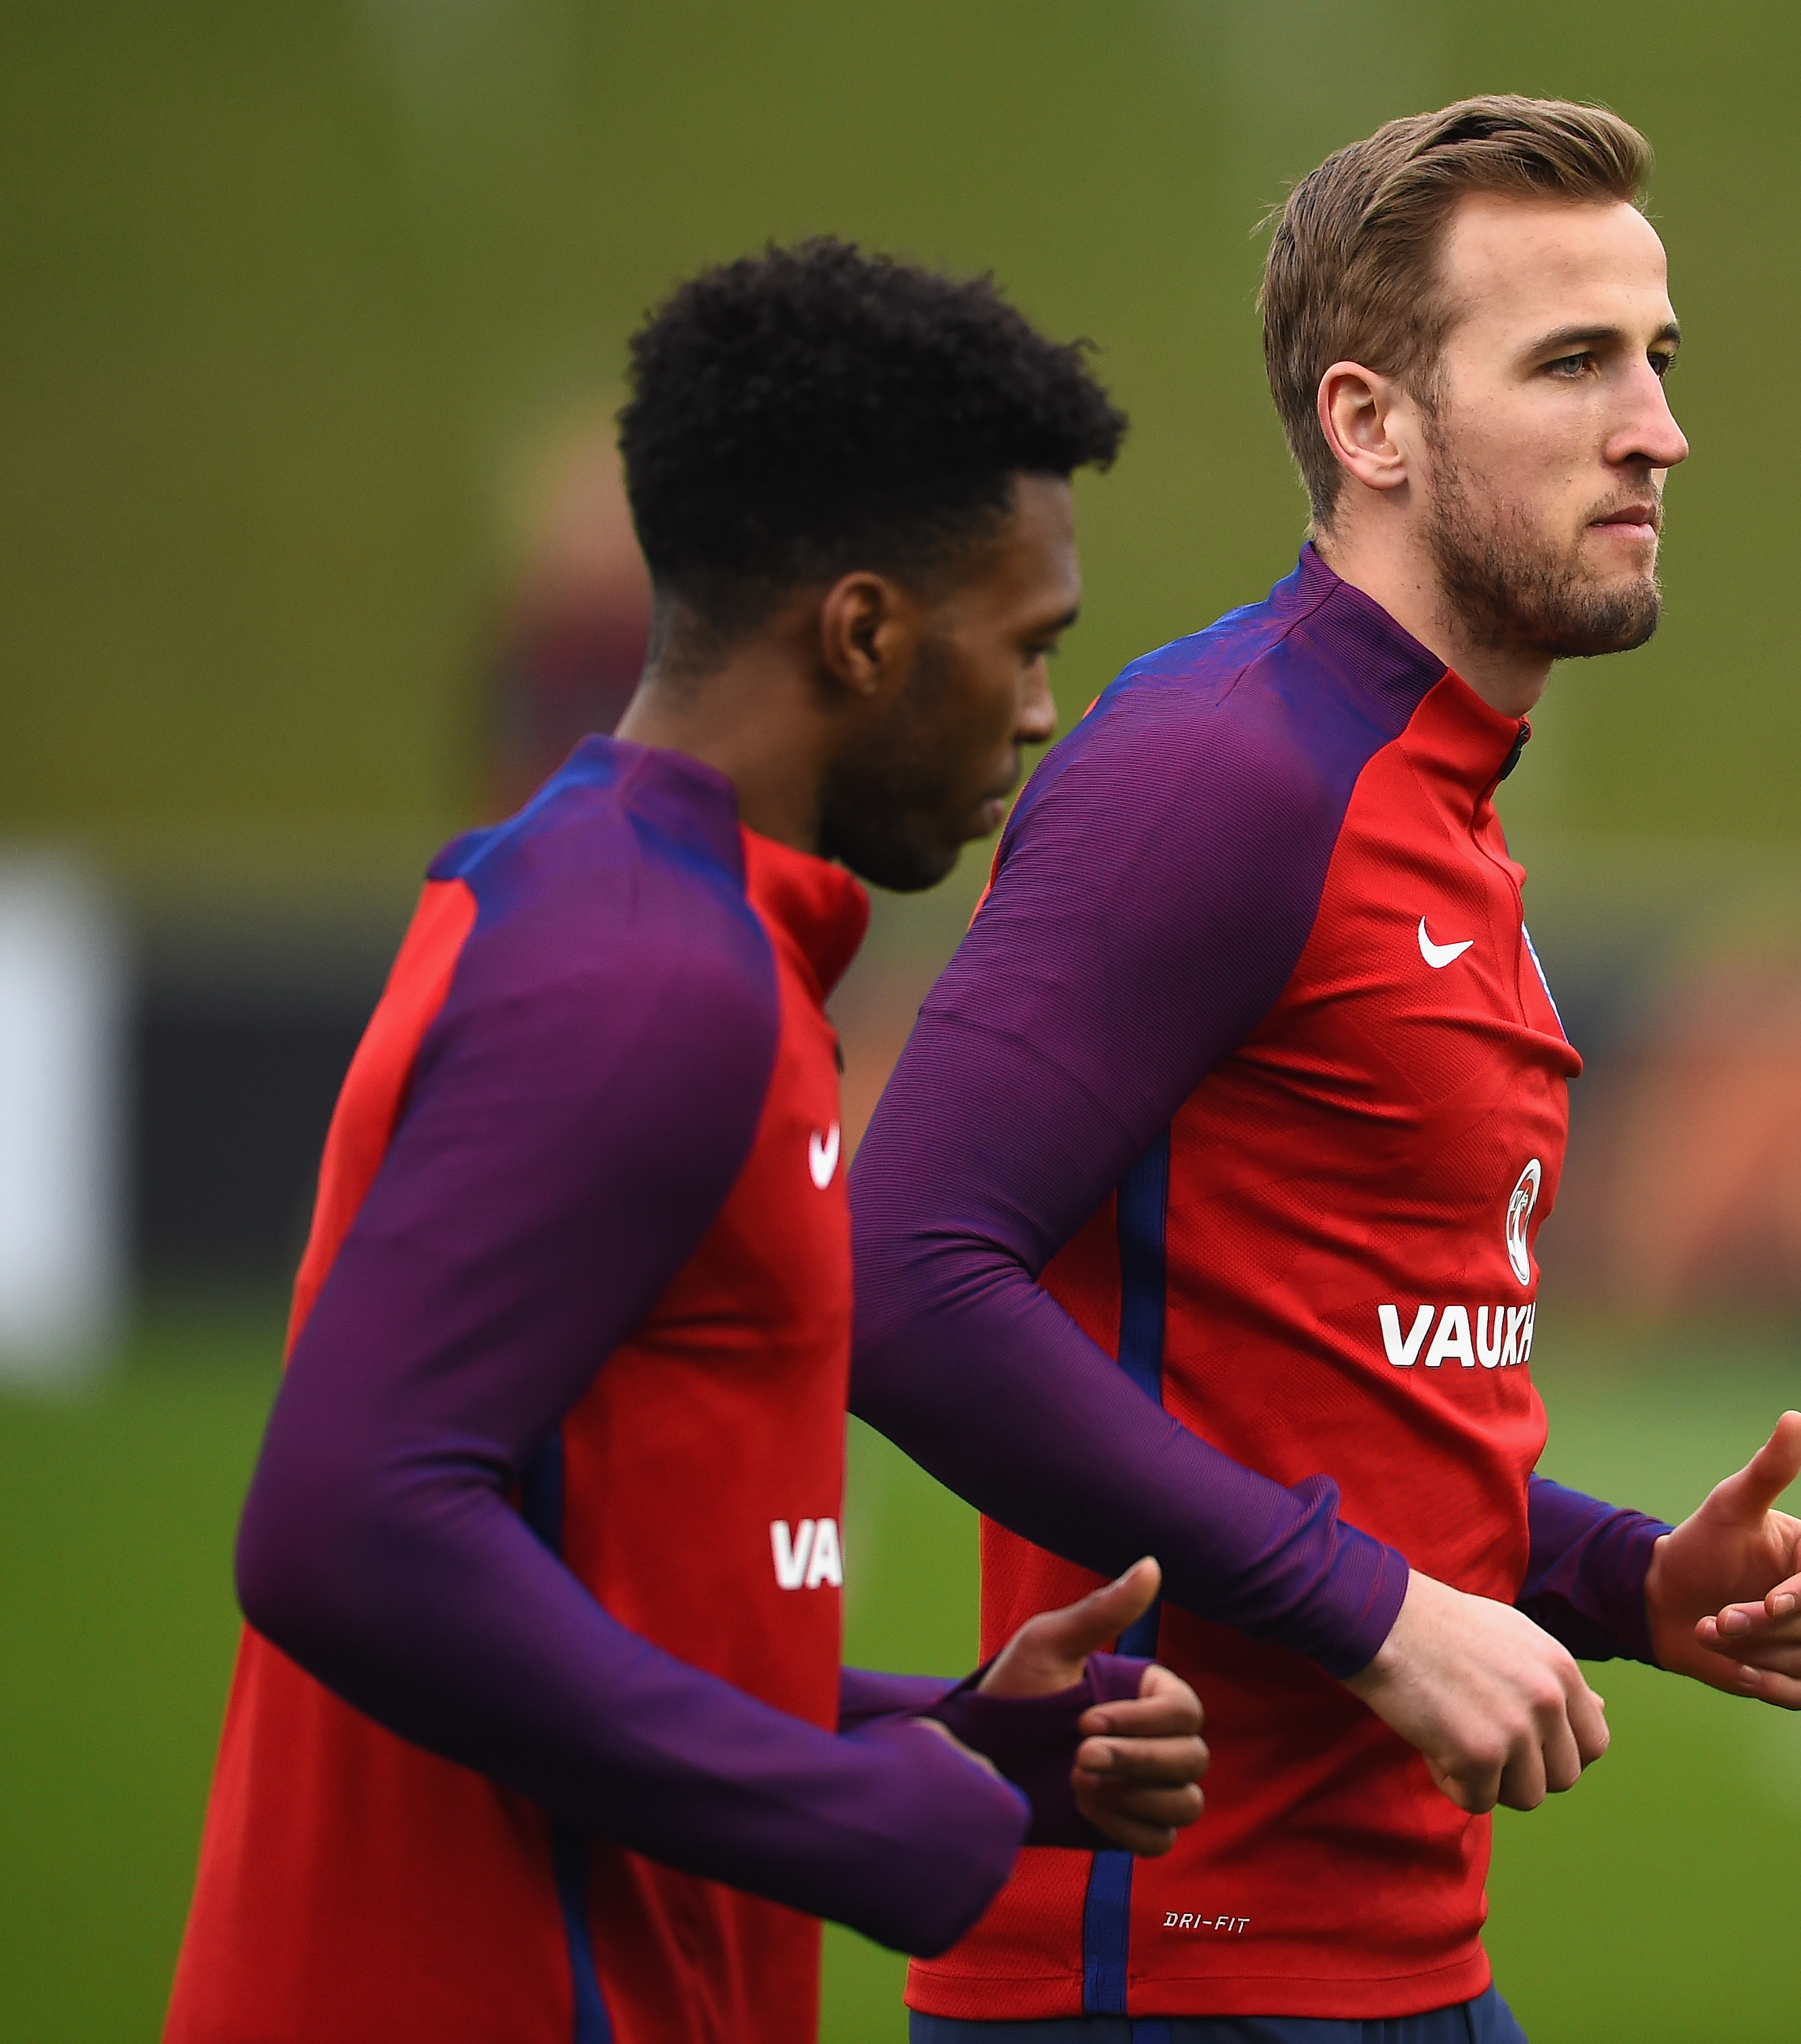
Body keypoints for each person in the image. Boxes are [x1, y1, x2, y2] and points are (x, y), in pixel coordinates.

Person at [847, 99, 1801, 2039]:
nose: (1654, 428)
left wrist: (1628, 1580)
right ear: (1369, 424)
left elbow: (1339, 1400)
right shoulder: (1220, 768)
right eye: (1571, 362)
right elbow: (895, 1281)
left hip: (1391, 1964)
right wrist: (1380, 1617)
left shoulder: (1439, 802)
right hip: (1164, 1971)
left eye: (1657, 360)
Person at [164, 242, 1210, 2044]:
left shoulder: (660, 921)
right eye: (1026, 646)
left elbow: (600, 1588)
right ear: (867, 631)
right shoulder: (643, 975)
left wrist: (929, 1735)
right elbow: (344, 1524)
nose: (1043, 712)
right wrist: (842, 1816)